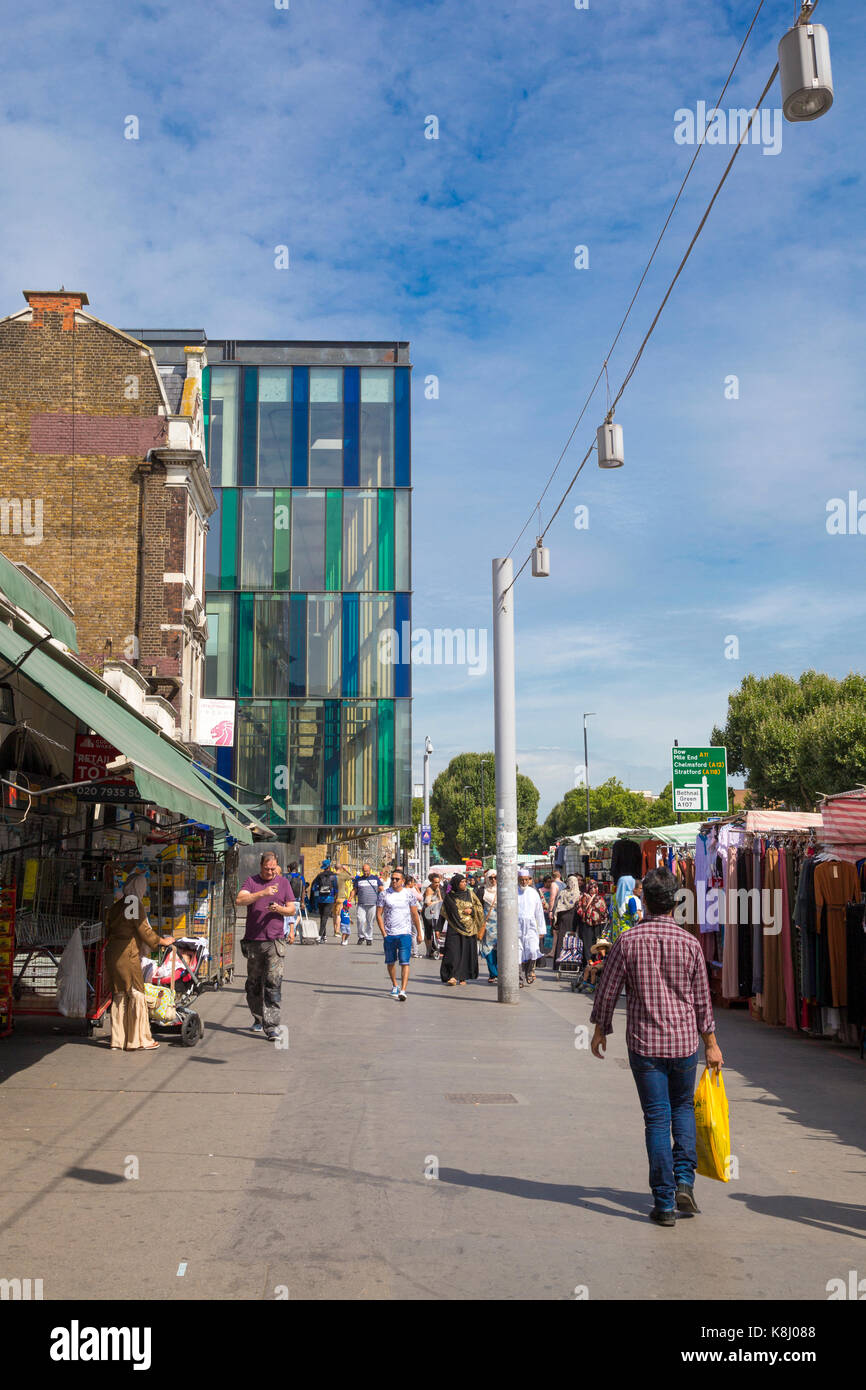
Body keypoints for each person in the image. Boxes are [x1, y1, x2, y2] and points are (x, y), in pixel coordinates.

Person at [590, 866, 724, 1227]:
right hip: (684, 1046)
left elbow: (607, 988)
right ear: (675, 902)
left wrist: (601, 1028)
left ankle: (664, 1202)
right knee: (681, 1111)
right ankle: (684, 1182)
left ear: (644, 900)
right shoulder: (691, 943)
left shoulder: (628, 941)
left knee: (657, 1119)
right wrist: (710, 1043)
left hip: (645, 1045)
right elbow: (702, 1001)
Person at [105, 870, 175, 1051]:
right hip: (127, 954)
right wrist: (162, 941)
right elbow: (144, 930)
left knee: (120, 994)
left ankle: (118, 1040)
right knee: (137, 992)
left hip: (113, 952)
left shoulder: (117, 905)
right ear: (138, 887)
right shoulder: (133, 903)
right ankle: (139, 1039)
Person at [236, 851, 297, 1039]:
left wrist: (279, 909)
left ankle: (271, 1025)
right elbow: (239, 900)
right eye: (266, 869)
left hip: (275, 941)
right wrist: (262, 893)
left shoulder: (284, 883)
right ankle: (258, 1017)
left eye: (273, 869)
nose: (270, 872)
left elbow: (292, 909)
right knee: (253, 984)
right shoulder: (252, 882)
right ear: (261, 866)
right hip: (254, 941)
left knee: (273, 982)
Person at [376, 868, 423, 1001]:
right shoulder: (384, 894)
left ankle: (403, 990)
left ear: (402, 881)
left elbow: (415, 914)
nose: (394, 881)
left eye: (397, 879)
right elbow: (379, 914)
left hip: (405, 933)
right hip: (390, 934)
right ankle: (395, 985)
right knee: (390, 962)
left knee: (405, 962)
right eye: (393, 879)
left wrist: (419, 933)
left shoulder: (409, 895)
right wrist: (384, 933)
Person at [440, 872, 484, 986]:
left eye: (465, 881)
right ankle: (452, 976)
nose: (465, 883)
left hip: (469, 928)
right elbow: (443, 913)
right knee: (452, 952)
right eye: (462, 882)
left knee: (466, 952)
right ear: (456, 883)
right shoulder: (449, 897)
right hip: (453, 927)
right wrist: (438, 928)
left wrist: (472, 911)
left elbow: (479, 907)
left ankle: (463, 976)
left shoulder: (470, 894)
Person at [517, 866, 546, 986]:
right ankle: (518, 978)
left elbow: (539, 912)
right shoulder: (513, 892)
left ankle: (529, 971)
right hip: (517, 928)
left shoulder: (534, 893)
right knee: (517, 954)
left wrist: (541, 930)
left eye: (526, 879)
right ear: (518, 879)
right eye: (521, 880)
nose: (524, 882)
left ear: (529, 879)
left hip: (531, 928)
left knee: (533, 950)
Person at [550, 874, 582, 964]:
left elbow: (558, 907)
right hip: (574, 919)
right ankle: (573, 962)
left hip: (563, 919)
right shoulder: (578, 893)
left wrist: (556, 920)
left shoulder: (562, 892)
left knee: (562, 939)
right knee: (573, 940)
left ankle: (559, 962)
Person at [576, 878, 609, 965]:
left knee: (596, 942)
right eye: (591, 888)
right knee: (587, 943)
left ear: (597, 888)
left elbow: (604, 911)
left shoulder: (600, 898)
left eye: (595, 888)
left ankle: (596, 961)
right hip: (586, 924)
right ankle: (588, 961)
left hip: (598, 924)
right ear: (588, 888)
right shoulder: (583, 897)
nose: (593, 890)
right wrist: (587, 914)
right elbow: (579, 909)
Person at [352, 861, 383, 946]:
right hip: (361, 904)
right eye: (364, 871)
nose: (365, 872)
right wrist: (350, 897)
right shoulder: (359, 880)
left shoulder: (375, 879)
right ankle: (361, 936)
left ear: (370, 870)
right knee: (360, 920)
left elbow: (381, 888)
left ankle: (369, 938)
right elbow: (354, 890)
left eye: (367, 871)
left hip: (372, 904)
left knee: (370, 922)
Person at [310, 859, 339, 942]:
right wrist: (335, 898)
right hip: (329, 899)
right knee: (325, 917)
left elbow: (314, 887)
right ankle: (320, 935)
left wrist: (316, 897)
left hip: (320, 898)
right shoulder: (334, 876)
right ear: (329, 866)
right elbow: (336, 888)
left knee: (322, 917)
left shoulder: (319, 876)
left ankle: (324, 936)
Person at [480, 869, 498, 984]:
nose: (493, 880)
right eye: (490, 878)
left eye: (495, 877)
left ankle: (499, 972)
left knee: (500, 950)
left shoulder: (503, 890)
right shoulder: (482, 892)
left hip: (502, 926)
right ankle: (493, 973)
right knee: (488, 950)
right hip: (487, 925)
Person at [610, 876, 643, 942]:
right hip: (628, 934)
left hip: (615, 934)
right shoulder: (632, 899)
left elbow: (611, 913)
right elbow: (636, 918)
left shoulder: (614, 897)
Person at [422, 872, 444, 958]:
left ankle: (434, 948)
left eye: (438, 882)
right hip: (427, 911)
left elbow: (441, 899)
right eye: (435, 882)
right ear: (431, 882)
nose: (437, 884)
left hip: (435, 911)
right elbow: (427, 903)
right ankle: (428, 950)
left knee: (435, 929)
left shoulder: (437, 888)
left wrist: (438, 894)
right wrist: (438, 902)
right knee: (429, 930)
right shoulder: (429, 889)